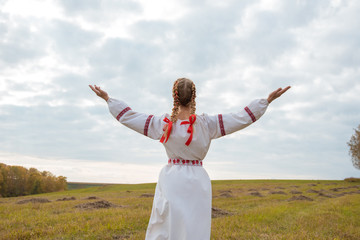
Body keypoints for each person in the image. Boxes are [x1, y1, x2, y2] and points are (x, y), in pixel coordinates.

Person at [89, 78, 290, 240]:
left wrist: (108, 99)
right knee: (195, 227)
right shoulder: (207, 124)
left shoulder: (163, 124)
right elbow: (240, 118)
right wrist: (266, 101)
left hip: (171, 178)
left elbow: (130, 116)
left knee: (166, 223)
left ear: (174, 96)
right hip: (197, 179)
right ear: (194, 96)